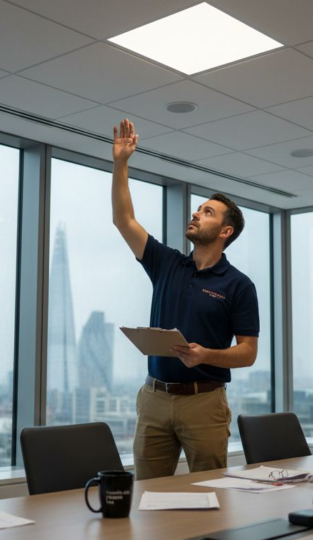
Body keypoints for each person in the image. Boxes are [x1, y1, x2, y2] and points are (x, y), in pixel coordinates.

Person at [111, 118, 260, 480]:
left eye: (207, 212)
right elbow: (123, 220)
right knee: (147, 493)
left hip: (204, 401)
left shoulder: (239, 285)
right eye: (198, 209)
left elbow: (248, 353)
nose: (196, 213)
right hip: (154, 398)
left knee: (211, 490)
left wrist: (206, 355)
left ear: (225, 231)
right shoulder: (167, 263)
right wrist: (121, 163)